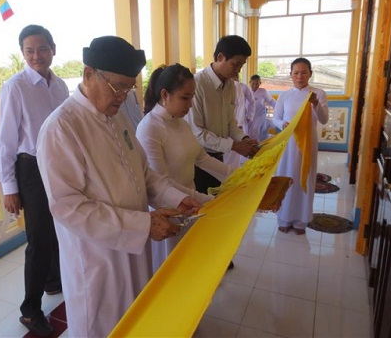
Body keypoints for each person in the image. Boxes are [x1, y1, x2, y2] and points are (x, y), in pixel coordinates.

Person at [35, 36, 202, 338]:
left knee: (137, 323)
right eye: (118, 87)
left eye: (129, 87)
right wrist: (143, 225)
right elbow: (68, 207)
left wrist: (179, 199)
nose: (123, 96)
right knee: (102, 327)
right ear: (88, 74)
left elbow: (145, 175)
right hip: (98, 259)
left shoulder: (118, 118)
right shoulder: (61, 127)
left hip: (134, 247)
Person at [0, 24, 68, 336]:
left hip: (58, 167)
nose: (37, 55)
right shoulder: (15, 87)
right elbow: (6, 142)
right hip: (31, 169)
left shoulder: (61, 86)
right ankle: (30, 310)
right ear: (23, 54)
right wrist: (10, 187)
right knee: (38, 240)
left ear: (53, 48)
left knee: (59, 229)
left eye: (42, 48)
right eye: (30, 51)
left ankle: (54, 282)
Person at [136, 63, 234, 271]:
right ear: (165, 94)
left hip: (191, 205)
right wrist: (205, 199)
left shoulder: (181, 123)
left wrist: (237, 174)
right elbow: (161, 183)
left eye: (192, 97)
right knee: (173, 270)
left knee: (193, 266)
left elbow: (202, 158)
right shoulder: (149, 128)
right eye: (185, 97)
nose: (190, 104)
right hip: (169, 210)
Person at [185, 35, 259, 195]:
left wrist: (244, 139)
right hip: (197, 160)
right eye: (235, 64)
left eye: (242, 65)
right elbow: (197, 132)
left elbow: (230, 123)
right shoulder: (197, 84)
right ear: (220, 57)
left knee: (217, 201)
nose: (238, 70)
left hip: (218, 157)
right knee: (201, 207)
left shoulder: (230, 85)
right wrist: (234, 146)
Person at [273, 57, 328, 235]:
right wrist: (282, 124)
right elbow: (276, 118)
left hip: (307, 145)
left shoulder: (318, 94)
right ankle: (284, 218)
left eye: (304, 72)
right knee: (286, 179)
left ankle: (300, 221)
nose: (299, 76)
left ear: (310, 74)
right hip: (288, 145)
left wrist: (316, 104)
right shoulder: (285, 95)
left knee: (305, 179)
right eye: (296, 73)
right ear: (290, 75)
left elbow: (324, 119)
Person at [223, 73, 256, 168]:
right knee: (227, 151)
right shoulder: (218, 85)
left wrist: (244, 120)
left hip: (236, 123)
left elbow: (242, 105)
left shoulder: (238, 86)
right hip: (225, 124)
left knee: (233, 152)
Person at [247, 74, 276, 142]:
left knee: (255, 130)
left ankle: (256, 146)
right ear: (249, 82)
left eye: (257, 84)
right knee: (247, 132)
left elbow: (271, 101)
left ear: (260, 83)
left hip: (260, 115)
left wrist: (279, 109)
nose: (254, 86)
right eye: (253, 83)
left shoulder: (263, 92)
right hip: (248, 116)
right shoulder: (246, 91)